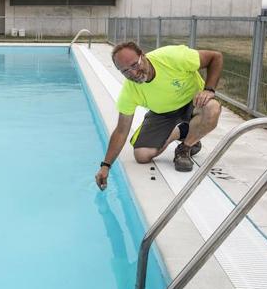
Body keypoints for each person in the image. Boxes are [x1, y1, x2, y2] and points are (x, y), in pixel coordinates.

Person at [95, 41, 223, 190]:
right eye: (125, 71)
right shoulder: (129, 91)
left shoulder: (172, 57)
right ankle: (182, 131)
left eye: (135, 65)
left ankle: (185, 148)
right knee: (141, 155)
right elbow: (121, 130)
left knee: (212, 108)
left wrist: (209, 89)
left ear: (143, 55)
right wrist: (106, 166)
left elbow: (216, 57)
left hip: (193, 102)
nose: (133, 73)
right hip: (163, 114)